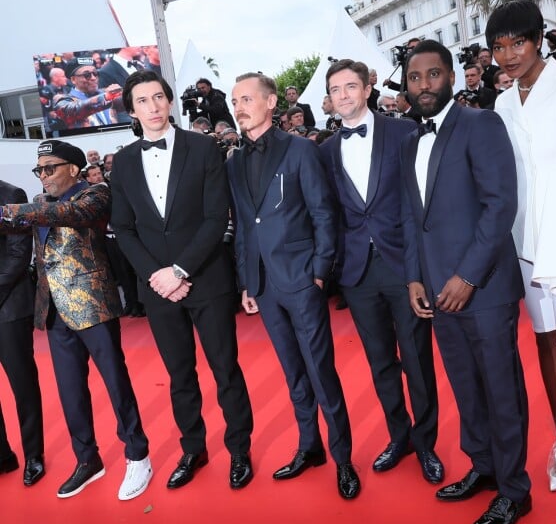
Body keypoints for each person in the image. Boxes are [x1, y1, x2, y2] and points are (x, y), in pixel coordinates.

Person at [401, 40, 531, 524]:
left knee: (501, 391)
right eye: (415, 78)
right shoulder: (413, 140)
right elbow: (415, 220)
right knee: (466, 388)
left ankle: (515, 493)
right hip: (436, 291)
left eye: (434, 75)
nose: (425, 85)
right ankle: (484, 467)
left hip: (485, 288)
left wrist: (468, 276)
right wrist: (416, 275)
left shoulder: (481, 124)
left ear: (452, 78)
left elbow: (501, 205)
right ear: (408, 86)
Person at [110, 70, 254, 491]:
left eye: (158, 98)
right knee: (180, 374)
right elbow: (123, 228)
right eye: (142, 101)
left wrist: (179, 271)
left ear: (170, 102)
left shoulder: (204, 148)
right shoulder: (123, 162)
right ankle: (194, 448)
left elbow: (216, 218)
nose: (152, 107)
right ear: (132, 110)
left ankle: (239, 449)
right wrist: (158, 276)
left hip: (206, 278)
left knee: (225, 369)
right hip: (156, 289)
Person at [227, 72, 360, 500]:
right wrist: (249, 281)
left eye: (246, 98)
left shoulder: (301, 149)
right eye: (235, 100)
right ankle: (310, 447)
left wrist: (320, 271)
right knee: (292, 372)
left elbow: (324, 212)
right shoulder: (233, 161)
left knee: (321, 370)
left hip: (302, 278)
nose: (239, 106)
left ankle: (343, 458)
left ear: (270, 102)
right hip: (265, 286)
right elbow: (246, 227)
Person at [0, 140, 152, 500]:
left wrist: (7, 211)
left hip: (93, 306)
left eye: (50, 168)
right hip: (53, 311)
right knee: (70, 393)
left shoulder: (95, 194)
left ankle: (137, 454)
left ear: (73, 167)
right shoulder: (38, 204)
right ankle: (88, 459)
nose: (43, 176)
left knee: (116, 384)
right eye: (39, 170)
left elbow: (71, 216)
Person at [320, 59, 442, 485]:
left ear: (368, 89)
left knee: (417, 359)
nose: (344, 95)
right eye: (336, 90)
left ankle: (427, 443)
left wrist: (419, 268)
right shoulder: (325, 151)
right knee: (380, 362)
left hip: (403, 266)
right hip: (356, 273)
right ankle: (400, 436)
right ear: (330, 100)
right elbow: (329, 214)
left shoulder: (403, 132)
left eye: (350, 86)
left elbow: (419, 203)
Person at [486, 0, 556, 523]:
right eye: (498, 47)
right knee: (547, 346)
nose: (508, 55)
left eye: (517, 43)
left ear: (539, 38)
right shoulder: (502, 105)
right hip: (528, 245)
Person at [0, 181, 44, 487]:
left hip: (9, 308)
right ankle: (2, 456)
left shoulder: (11, 195)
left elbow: (18, 256)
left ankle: (34, 455)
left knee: (23, 385)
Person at [52, 58, 123, 130]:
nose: (93, 78)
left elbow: (129, 102)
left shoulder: (105, 93)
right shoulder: (63, 99)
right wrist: (106, 97)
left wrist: (122, 92)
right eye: (87, 75)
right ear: (73, 79)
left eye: (95, 73)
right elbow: (72, 110)